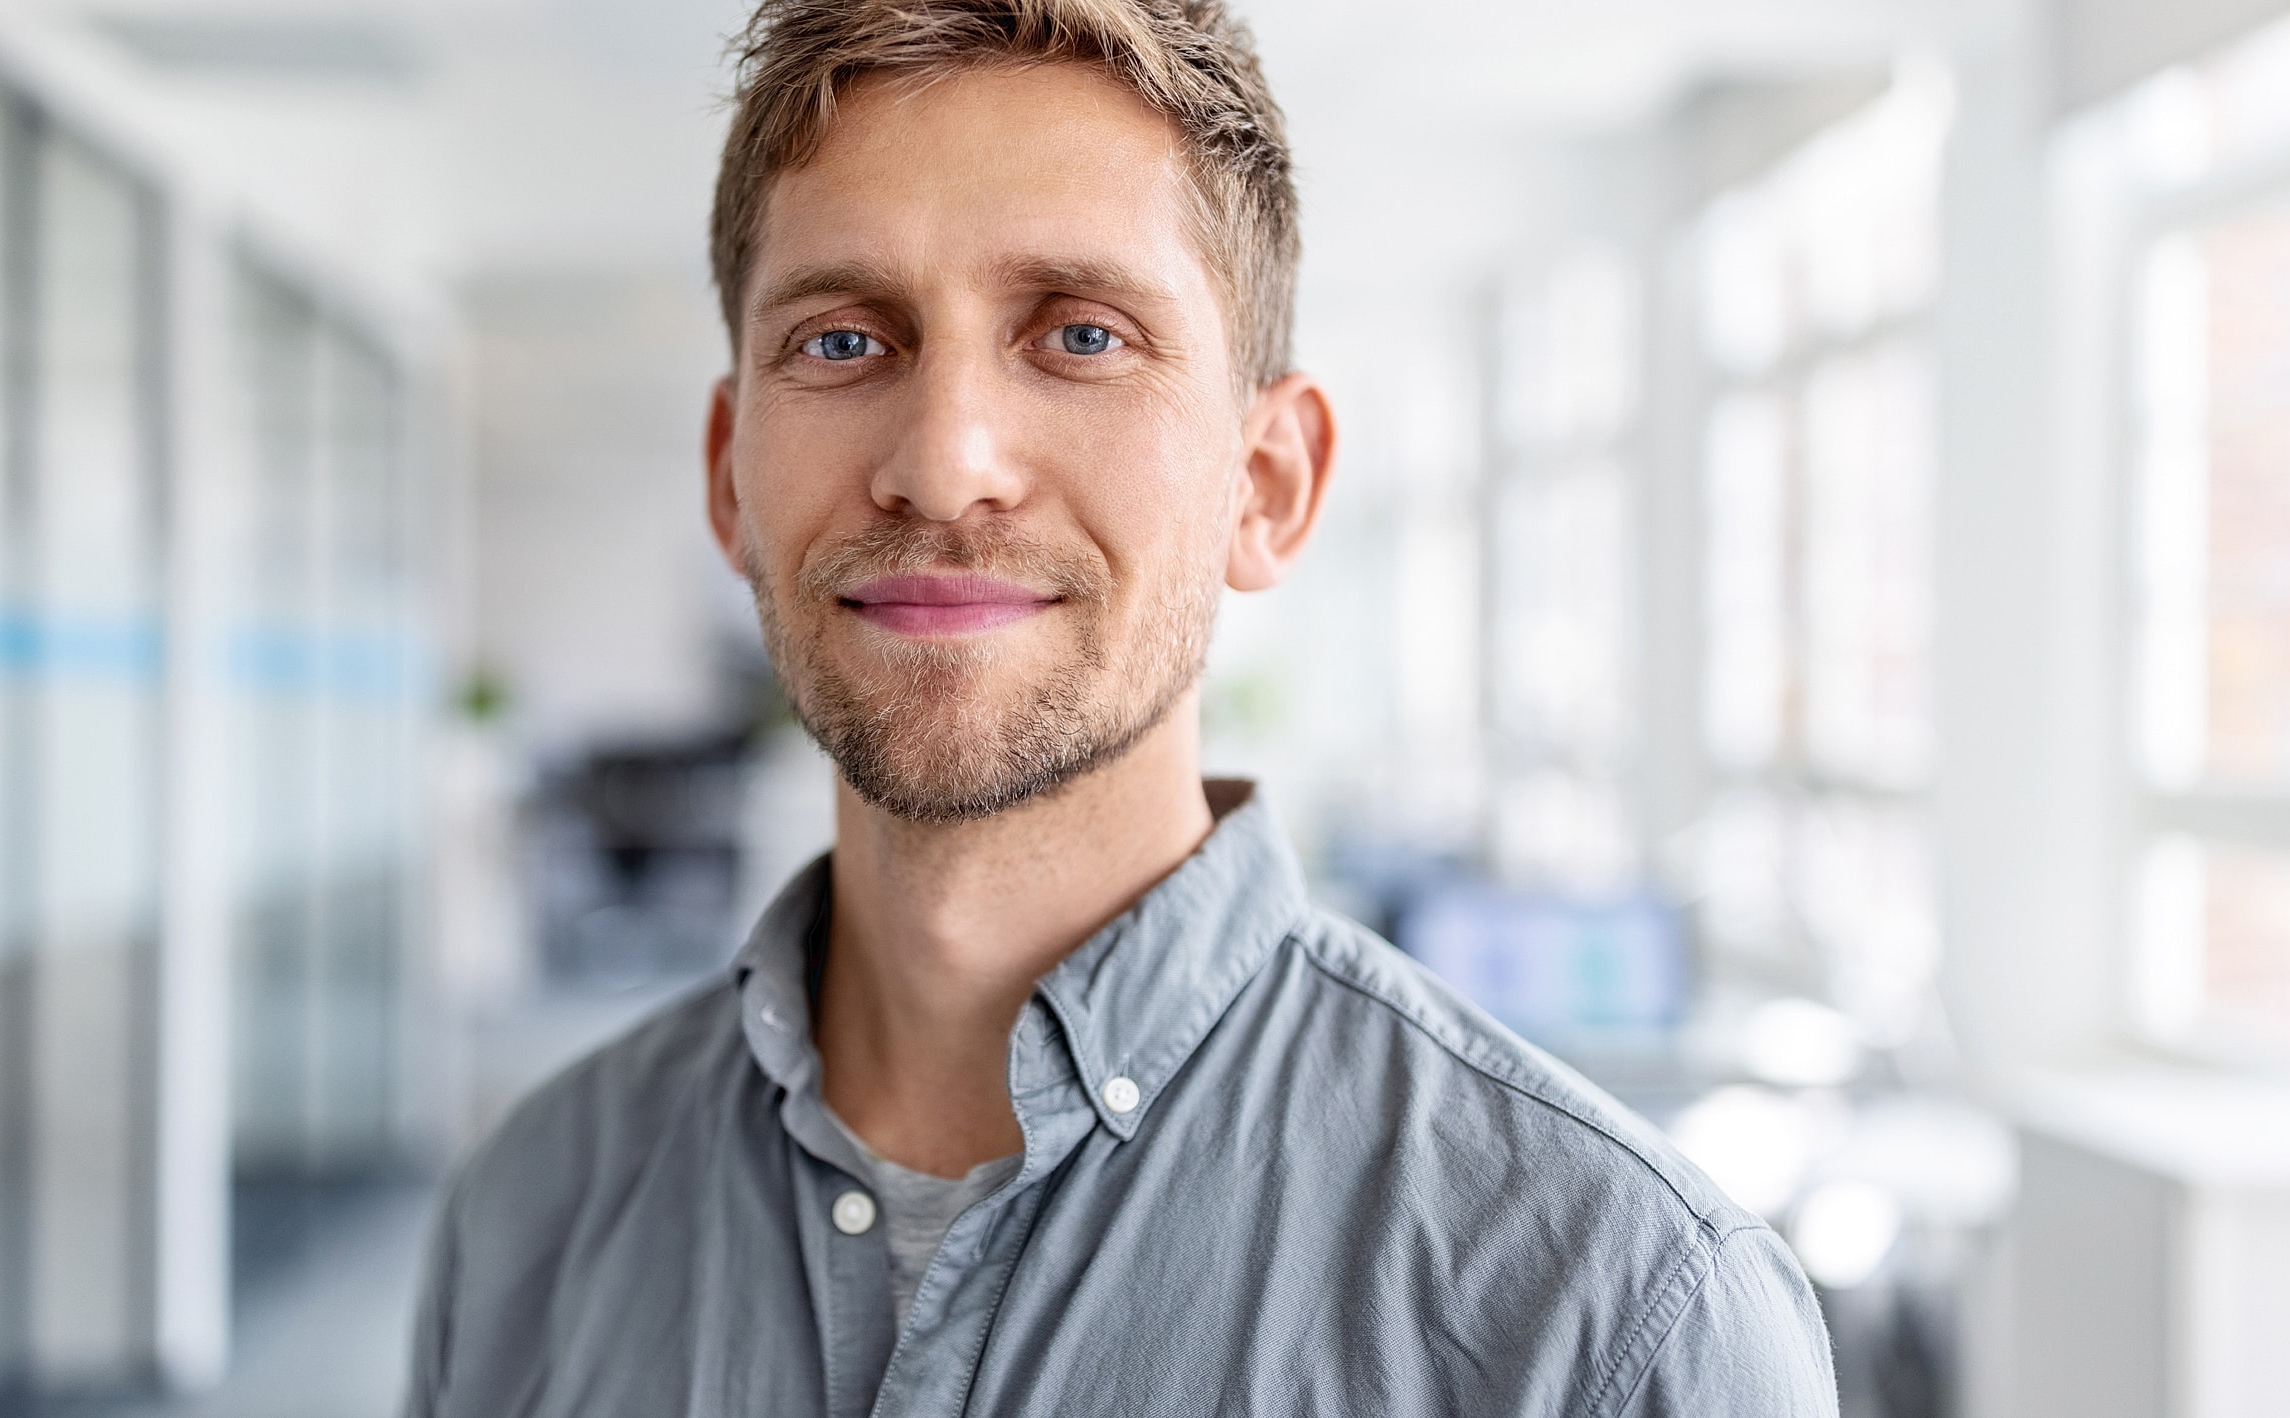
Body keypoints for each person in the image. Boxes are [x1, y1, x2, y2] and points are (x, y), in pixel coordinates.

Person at [405, 1, 1839, 1413]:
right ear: (731, 476)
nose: (946, 461)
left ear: (1266, 485)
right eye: (844, 342)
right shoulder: (529, 1219)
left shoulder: (1617, 1321)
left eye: (1080, 335)